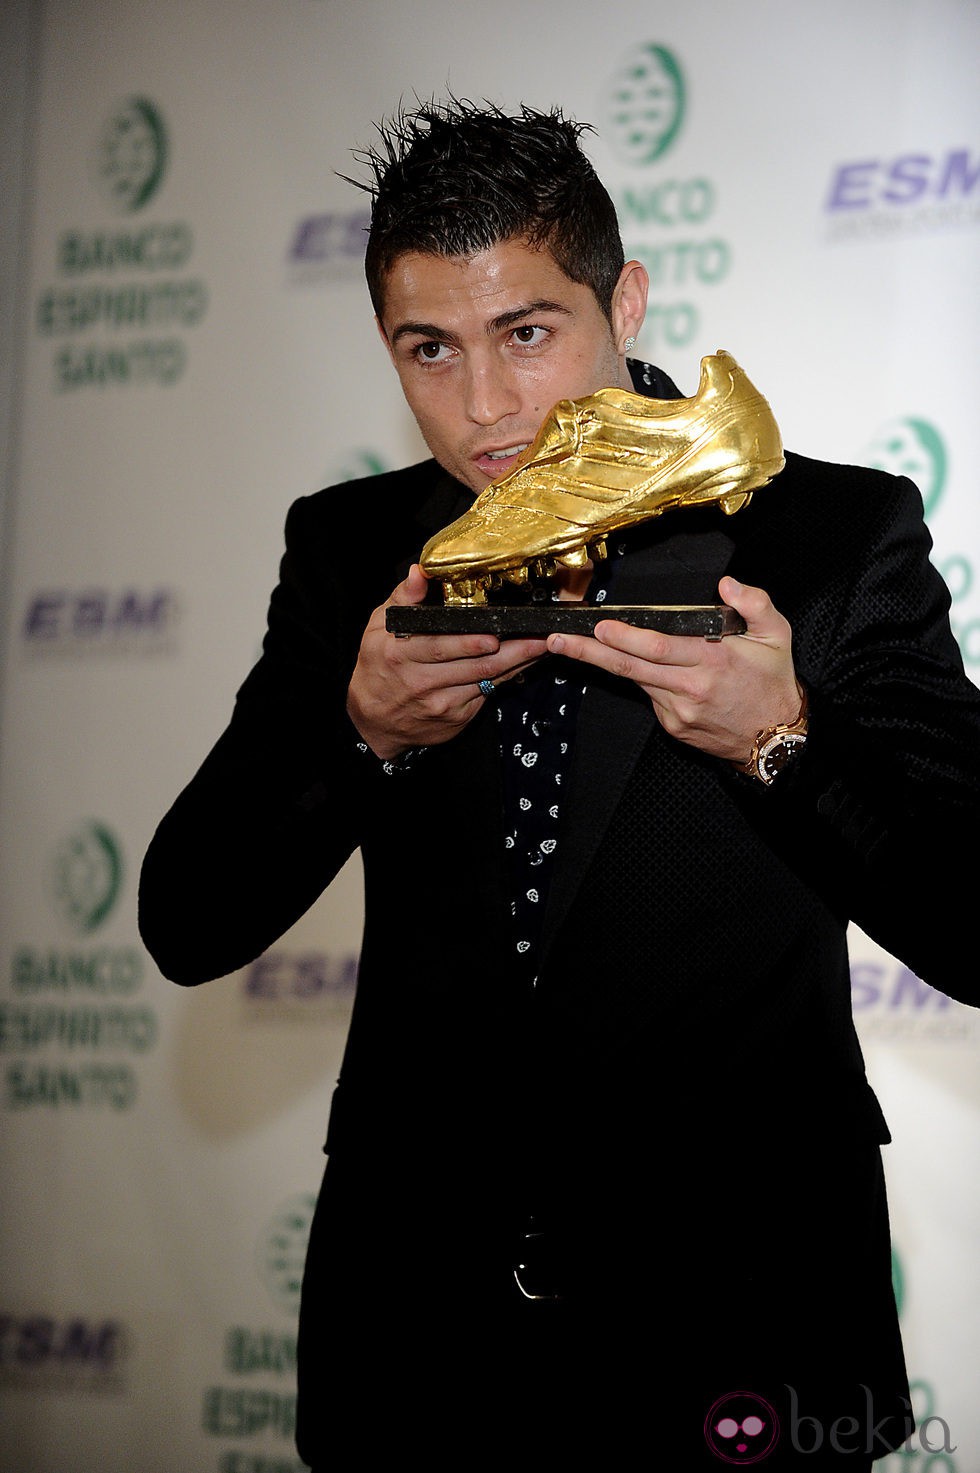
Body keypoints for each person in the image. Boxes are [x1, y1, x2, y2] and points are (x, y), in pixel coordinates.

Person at [138, 99, 980, 1468]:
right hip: (421, 1346)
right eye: (431, 349)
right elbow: (187, 917)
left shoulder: (829, 533)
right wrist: (359, 737)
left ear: (624, 298)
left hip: (737, 1327)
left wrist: (790, 743)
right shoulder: (357, 552)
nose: (485, 407)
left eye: (527, 334)